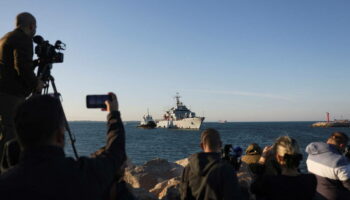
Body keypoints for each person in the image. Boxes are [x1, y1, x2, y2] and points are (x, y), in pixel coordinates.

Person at [0, 93, 126, 200]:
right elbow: (114, 154)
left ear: (20, 135)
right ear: (60, 136)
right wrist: (113, 114)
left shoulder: (6, 184)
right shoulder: (81, 176)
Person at [0, 12, 43, 169]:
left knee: (4, 129)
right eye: (35, 26)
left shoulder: (6, 37)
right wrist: (36, 84)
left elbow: (12, 65)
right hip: (11, 94)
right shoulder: (24, 39)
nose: (35, 30)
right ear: (31, 25)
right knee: (10, 132)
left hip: (3, 91)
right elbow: (22, 68)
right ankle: (6, 172)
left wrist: (35, 63)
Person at [179, 128, 242, 200]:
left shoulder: (188, 168)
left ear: (202, 146)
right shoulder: (226, 169)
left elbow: (184, 196)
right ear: (220, 144)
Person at [251, 136, 317, 200]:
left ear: (278, 157)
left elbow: (253, 188)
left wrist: (262, 159)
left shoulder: (268, 182)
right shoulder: (311, 180)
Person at [306, 132, 350, 200]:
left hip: (317, 194)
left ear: (327, 141)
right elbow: (348, 185)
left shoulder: (312, 154)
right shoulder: (340, 161)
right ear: (341, 145)